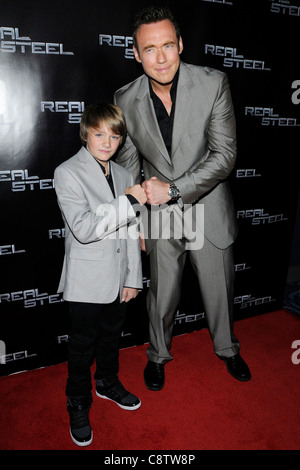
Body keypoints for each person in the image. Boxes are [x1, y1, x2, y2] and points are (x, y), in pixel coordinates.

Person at [114, 6, 251, 391]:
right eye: (150, 49)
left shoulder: (213, 83)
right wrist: (137, 221)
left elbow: (224, 157)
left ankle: (227, 348)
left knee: (218, 288)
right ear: (137, 54)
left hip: (207, 204)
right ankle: (157, 355)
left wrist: (174, 189)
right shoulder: (125, 100)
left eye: (168, 46)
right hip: (159, 214)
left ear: (181, 45)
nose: (161, 58)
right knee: (161, 295)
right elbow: (128, 168)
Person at [54, 103, 147, 447]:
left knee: (111, 340)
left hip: (118, 278)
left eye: (114, 135)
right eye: (99, 134)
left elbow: (131, 231)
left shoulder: (124, 175)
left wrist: (132, 278)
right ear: (85, 134)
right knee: (82, 348)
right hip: (87, 280)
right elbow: (83, 228)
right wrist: (127, 202)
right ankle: (77, 401)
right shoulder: (67, 172)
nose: (107, 142)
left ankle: (107, 384)